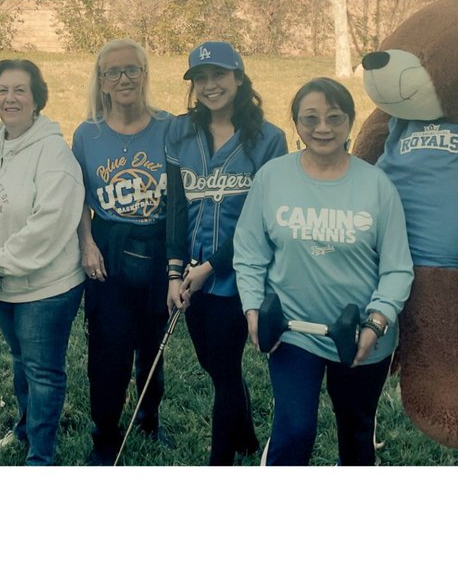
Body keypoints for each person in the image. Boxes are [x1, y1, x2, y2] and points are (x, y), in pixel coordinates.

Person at [235, 77, 413, 466]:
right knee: (294, 430)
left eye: (334, 117)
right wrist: (253, 308)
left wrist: (378, 322)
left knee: (356, 432)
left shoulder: (377, 186)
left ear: (350, 121)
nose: (322, 128)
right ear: (296, 124)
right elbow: (249, 252)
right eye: (310, 118)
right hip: (293, 331)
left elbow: (398, 268)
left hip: (362, 335)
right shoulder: (273, 178)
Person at [165, 41, 287, 465]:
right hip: (192, 273)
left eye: (219, 75)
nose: (210, 85)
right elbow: (176, 210)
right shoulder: (179, 132)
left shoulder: (269, 139)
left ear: (238, 77)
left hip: (242, 276)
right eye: (200, 78)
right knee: (218, 367)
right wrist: (175, 272)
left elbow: (262, 221)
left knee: (223, 369)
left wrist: (209, 269)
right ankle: (248, 436)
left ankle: (222, 462)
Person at [0, 59, 85, 465]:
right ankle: (25, 427)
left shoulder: (54, 154)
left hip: (46, 287)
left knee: (43, 371)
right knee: (20, 360)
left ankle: (41, 455)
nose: (10, 98)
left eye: (20, 91)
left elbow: (49, 223)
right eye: (3, 90)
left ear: (37, 99)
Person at [72, 38, 173, 465]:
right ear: (102, 82)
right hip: (108, 244)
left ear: (145, 73)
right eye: (113, 72)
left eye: (131, 69)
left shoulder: (171, 127)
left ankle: (149, 416)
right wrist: (87, 243)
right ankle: (105, 432)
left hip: (158, 241)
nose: (123, 78)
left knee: (153, 340)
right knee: (108, 346)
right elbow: (76, 194)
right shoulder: (87, 133)